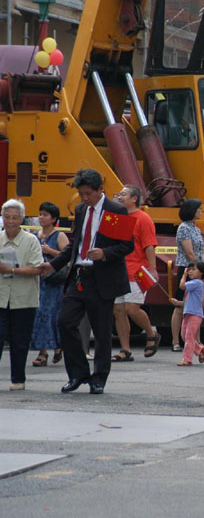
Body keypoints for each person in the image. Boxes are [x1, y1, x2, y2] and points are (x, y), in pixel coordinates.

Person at [41, 169, 134, 394]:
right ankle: (77, 374)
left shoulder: (115, 210)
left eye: (88, 194)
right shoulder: (81, 210)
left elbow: (126, 245)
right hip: (78, 275)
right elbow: (75, 244)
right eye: (81, 194)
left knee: (101, 332)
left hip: (102, 278)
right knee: (65, 322)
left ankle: (99, 378)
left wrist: (104, 253)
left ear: (100, 189)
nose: (84, 198)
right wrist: (53, 265)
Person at [112, 185, 160, 362]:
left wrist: (153, 269)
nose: (120, 197)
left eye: (124, 194)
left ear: (134, 199)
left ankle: (151, 333)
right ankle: (125, 350)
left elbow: (149, 245)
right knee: (118, 311)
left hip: (137, 271)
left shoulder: (143, 218)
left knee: (132, 309)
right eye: (119, 194)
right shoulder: (116, 217)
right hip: (118, 270)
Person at [0, 199, 44, 390]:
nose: (10, 221)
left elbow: (37, 268)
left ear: (22, 219)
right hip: (1, 297)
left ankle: (18, 379)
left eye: (15, 217)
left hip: (24, 299)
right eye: (7, 217)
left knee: (20, 341)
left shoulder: (31, 240)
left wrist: (11, 270)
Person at [31, 201, 68, 367]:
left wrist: (50, 251)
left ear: (53, 218)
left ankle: (57, 346)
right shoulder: (35, 236)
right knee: (39, 315)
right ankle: (43, 351)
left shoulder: (59, 236)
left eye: (45, 215)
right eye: (40, 214)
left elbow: (67, 256)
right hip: (39, 281)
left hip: (54, 282)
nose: (41, 217)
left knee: (52, 315)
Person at [171, 199, 204, 352]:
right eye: (199, 208)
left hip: (198, 271)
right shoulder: (184, 228)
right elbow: (189, 252)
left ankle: (197, 341)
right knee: (180, 305)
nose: (201, 211)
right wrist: (197, 268)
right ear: (192, 210)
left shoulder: (196, 229)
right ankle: (175, 341)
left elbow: (201, 250)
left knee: (196, 306)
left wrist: (203, 269)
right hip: (187, 269)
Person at [169, 262, 204, 366]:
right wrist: (178, 303)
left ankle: (187, 359)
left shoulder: (197, 283)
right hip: (187, 313)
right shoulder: (192, 285)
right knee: (184, 336)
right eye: (190, 269)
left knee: (189, 336)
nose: (190, 271)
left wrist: (184, 275)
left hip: (195, 314)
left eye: (194, 269)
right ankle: (199, 349)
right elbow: (187, 301)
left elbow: (181, 286)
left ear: (201, 273)